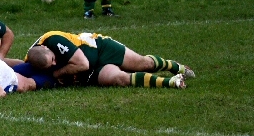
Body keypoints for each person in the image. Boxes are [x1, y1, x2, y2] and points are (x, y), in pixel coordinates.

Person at [18, 30, 195, 89]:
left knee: (144, 64)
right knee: (120, 79)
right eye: (51, 65)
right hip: (92, 73)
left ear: (46, 48)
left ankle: (175, 66)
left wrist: (57, 73)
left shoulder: (53, 40)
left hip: (102, 49)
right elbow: (19, 65)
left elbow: (82, 64)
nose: (55, 63)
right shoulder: (34, 59)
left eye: (54, 59)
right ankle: (171, 82)